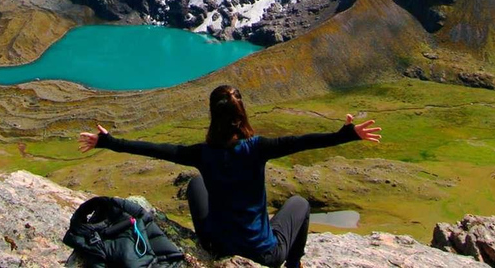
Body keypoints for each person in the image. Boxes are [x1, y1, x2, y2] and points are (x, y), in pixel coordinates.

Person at [78, 85, 381, 268]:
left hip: (216, 245)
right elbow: (303, 141)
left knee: (197, 183)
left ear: (214, 116)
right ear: (241, 116)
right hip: (264, 254)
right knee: (299, 203)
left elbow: (156, 150)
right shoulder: (257, 148)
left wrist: (109, 141)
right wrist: (346, 135)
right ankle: (294, 263)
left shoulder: (202, 153)